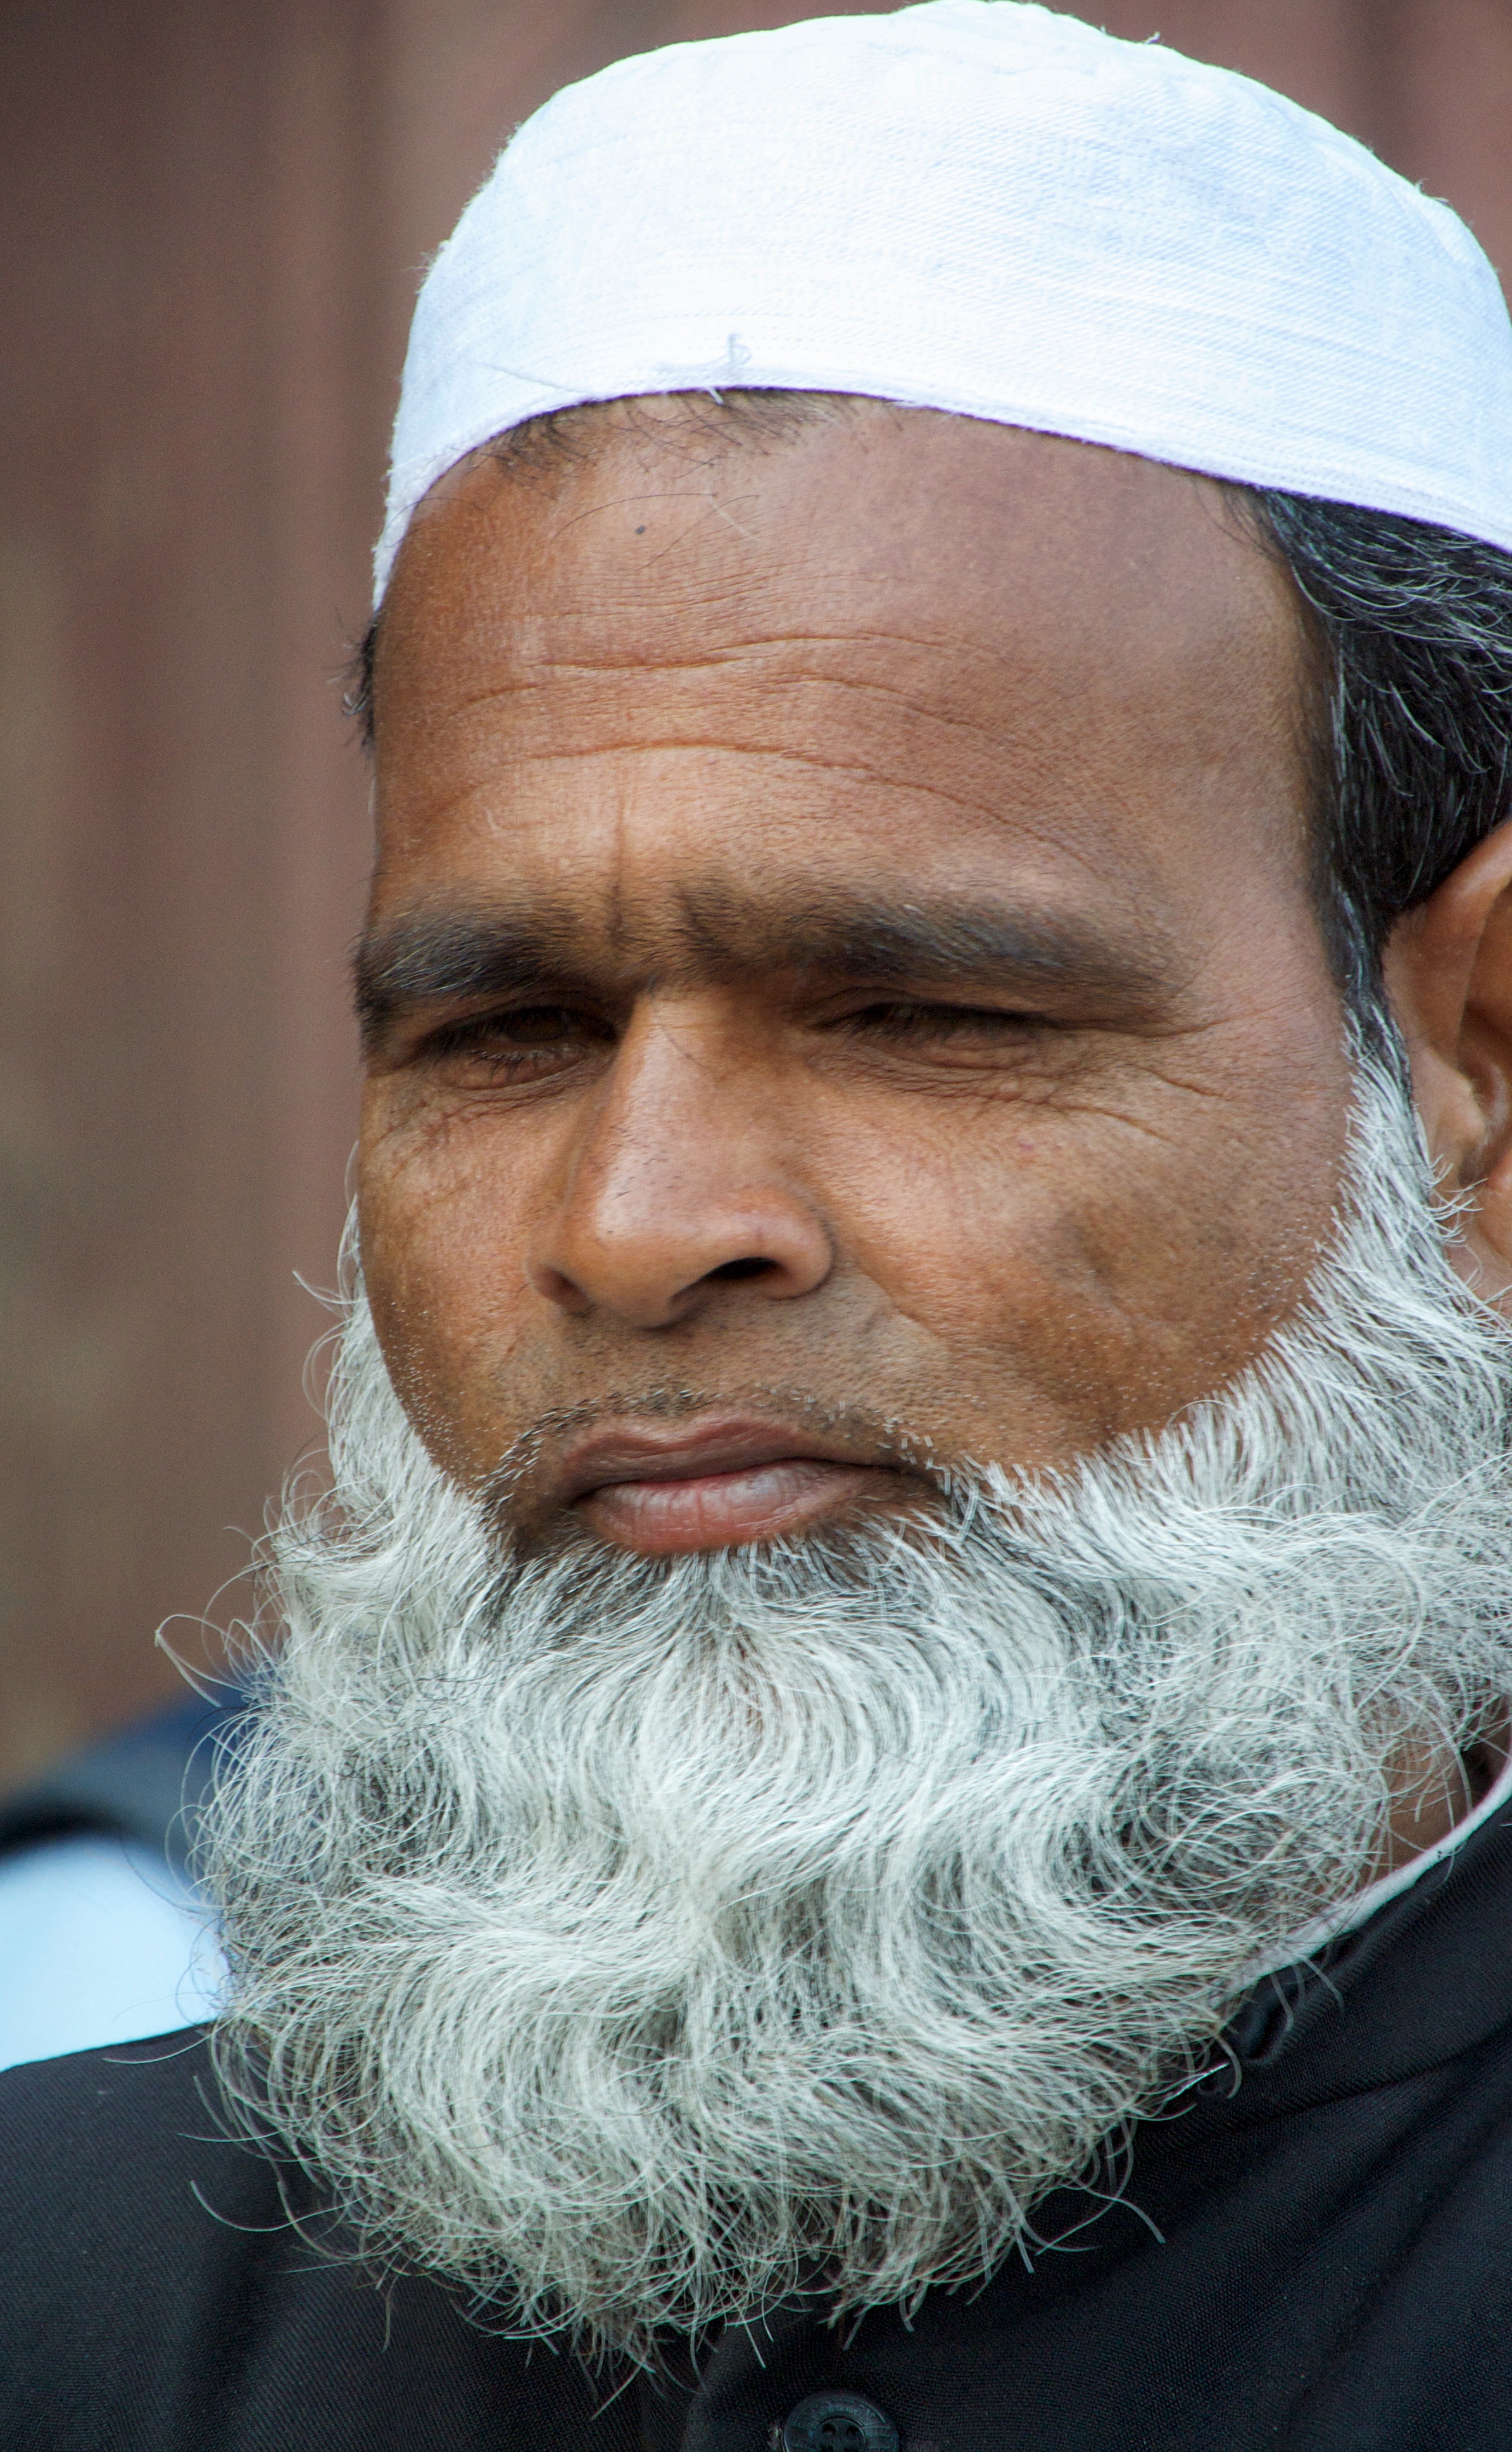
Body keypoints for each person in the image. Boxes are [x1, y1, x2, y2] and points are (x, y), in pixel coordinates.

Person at [6, 6, 1512, 2444]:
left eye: (918, 1011)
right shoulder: (61, 2306)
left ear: (1475, 1076)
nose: (631, 1224)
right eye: (501, 1032)